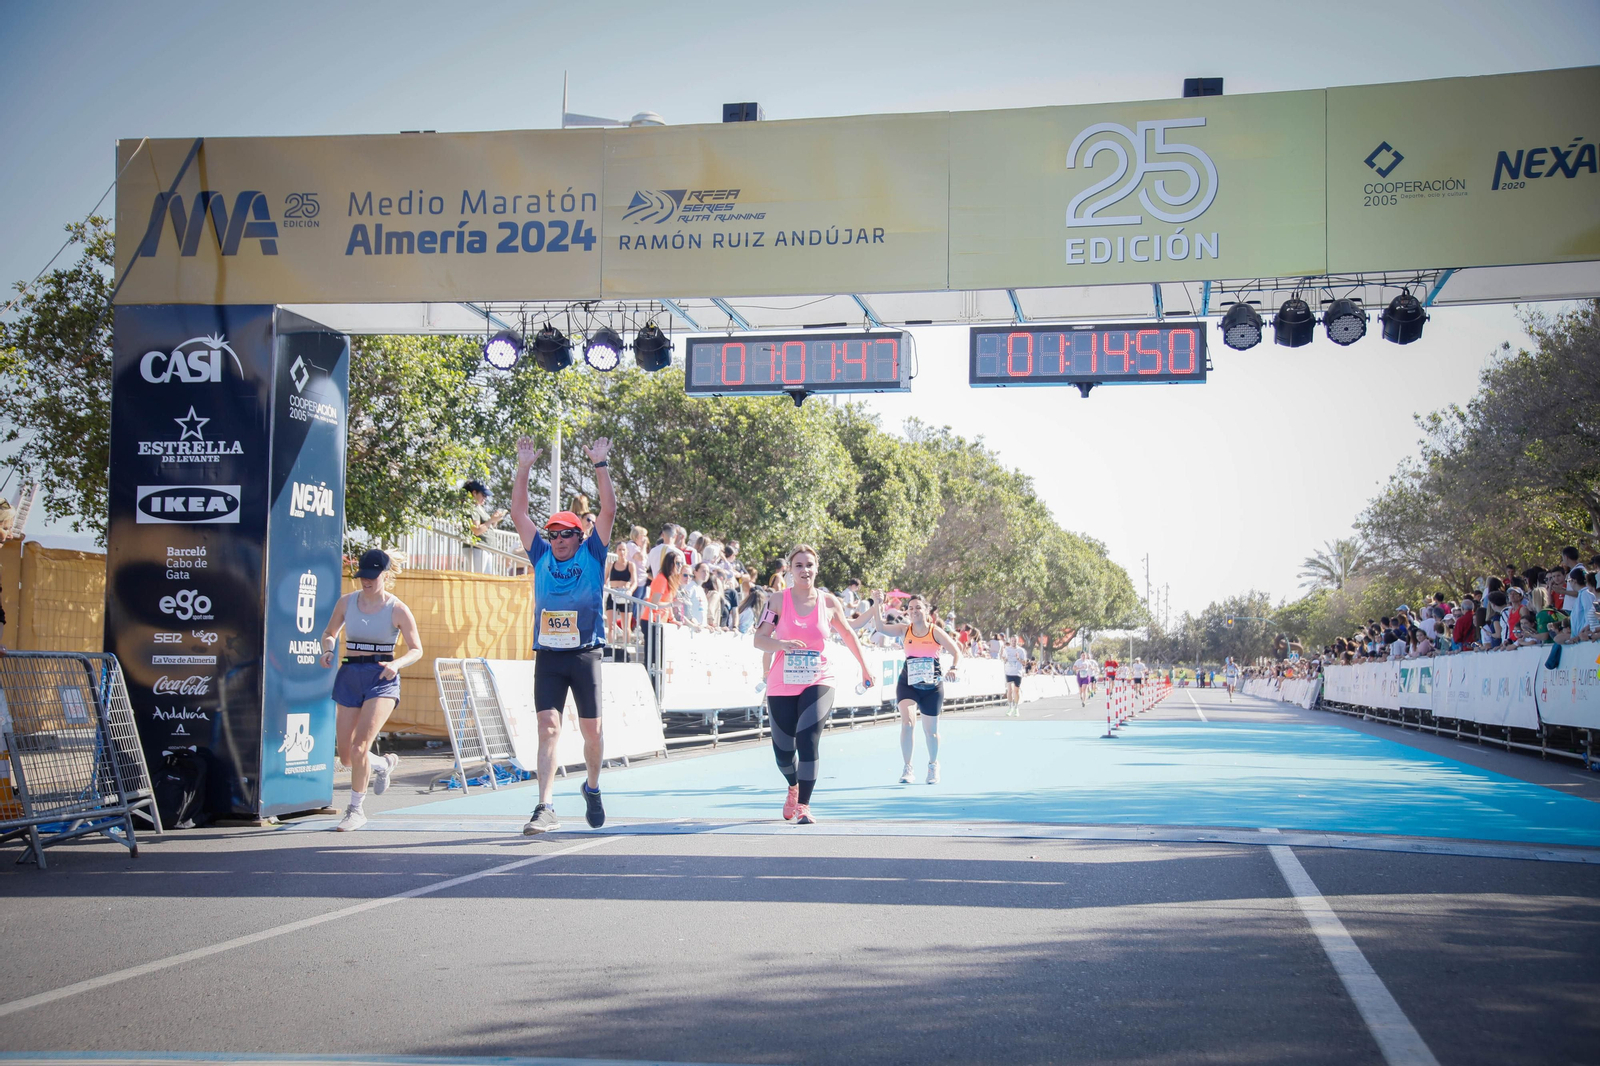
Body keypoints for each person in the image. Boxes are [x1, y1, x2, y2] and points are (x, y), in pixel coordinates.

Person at [510, 434, 616, 835]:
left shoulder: (593, 553)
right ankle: (544, 805)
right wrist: (524, 468)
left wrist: (600, 464)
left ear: (578, 536)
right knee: (548, 727)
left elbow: (608, 509)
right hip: (550, 656)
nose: (556, 540)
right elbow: (519, 514)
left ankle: (592, 786)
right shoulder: (539, 555)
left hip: (585, 654)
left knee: (592, 732)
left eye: (564, 533)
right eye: (552, 533)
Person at [751, 545, 874, 825]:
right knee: (783, 753)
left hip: (819, 678)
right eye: (798, 565)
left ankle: (804, 805)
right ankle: (793, 786)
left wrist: (864, 666)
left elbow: (848, 634)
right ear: (791, 570)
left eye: (809, 565)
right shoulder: (777, 601)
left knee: (808, 739)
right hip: (782, 682)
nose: (804, 570)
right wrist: (781, 644)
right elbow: (759, 640)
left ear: (816, 568)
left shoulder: (829, 603)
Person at [319, 549, 424, 831]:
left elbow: (417, 649)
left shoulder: (397, 608)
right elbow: (329, 633)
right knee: (345, 755)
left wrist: (397, 664)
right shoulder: (346, 602)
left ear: (385, 575)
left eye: (372, 576)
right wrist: (328, 650)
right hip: (350, 675)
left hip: (381, 677)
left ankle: (356, 810)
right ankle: (382, 764)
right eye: (362, 576)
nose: (366, 581)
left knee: (359, 747)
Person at [862, 595, 963, 784]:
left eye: (918, 608)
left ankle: (933, 765)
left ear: (926, 611)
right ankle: (908, 767)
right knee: (908, 724)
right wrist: (876, 605)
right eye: (911, 608)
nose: (914, 611)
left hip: (932, 687)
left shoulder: (935, 631)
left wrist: (954, 668)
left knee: (930, 731)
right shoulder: (904, 630)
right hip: (908, 683)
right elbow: (881, 628)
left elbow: (956, 651)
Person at [463, 479, 508, 574]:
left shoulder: (479, 508)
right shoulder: (471, 508)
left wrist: (495, 520)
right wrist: (491, 520)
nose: (485, 498)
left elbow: (487, 526)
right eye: (483, 495)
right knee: (478, 579)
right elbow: (476, 530)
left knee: (487, 579)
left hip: (485, 548)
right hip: (477, 548)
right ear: (474, 493)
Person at [1001, 636, 1028, 715]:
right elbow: (1004, 659)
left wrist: (1019, 658)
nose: (1013, 642)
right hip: (1009, 672)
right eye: (1012, 641)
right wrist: (1004, 659)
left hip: (1017, 672)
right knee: (1009, 690)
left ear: (1017, 641)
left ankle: (1016, 707)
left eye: (1015, 641)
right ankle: (1010, 707)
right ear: (1010, 641)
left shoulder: (1021, 650)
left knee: (1016, 691)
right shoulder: (1007, 650)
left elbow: (1025, 663)